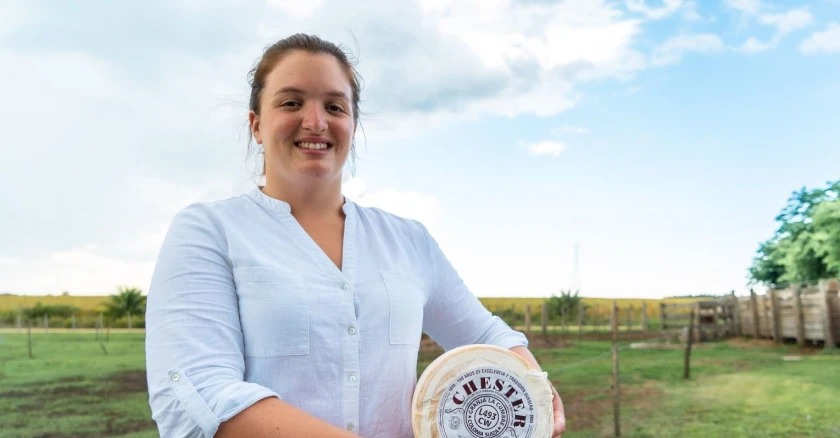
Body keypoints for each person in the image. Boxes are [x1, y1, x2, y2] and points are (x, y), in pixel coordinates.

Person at [145, 33, 566, 437]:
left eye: (335, 107)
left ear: (353, 124)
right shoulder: (209, 231)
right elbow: (198, 394)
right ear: (256, 125)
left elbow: (486, 337)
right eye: (291, 102)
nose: (315, 122)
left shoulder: (408, 241)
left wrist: (533, 388)